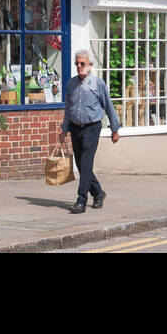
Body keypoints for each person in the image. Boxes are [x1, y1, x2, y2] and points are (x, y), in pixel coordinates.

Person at [60, 49, 120, 213]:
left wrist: (115, 128)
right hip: (75, 127)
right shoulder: (71, 83)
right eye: (77, 63)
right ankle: (98, 193)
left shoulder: (98, 83)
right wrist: (64, 129)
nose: (79, 66)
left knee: (86, 162)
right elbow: (68, 108)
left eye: (82, 64)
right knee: (81, 164)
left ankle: (81, 200)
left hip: (92, 127)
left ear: (90, 65)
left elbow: (108, 105)